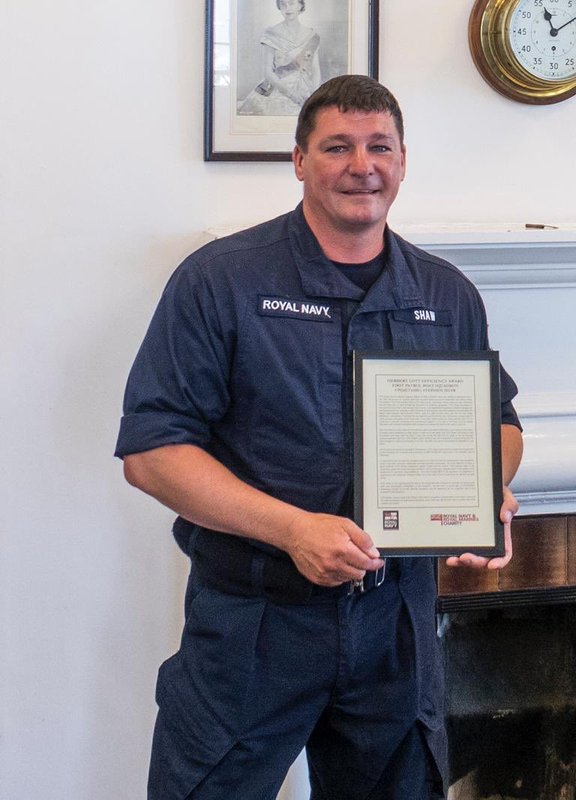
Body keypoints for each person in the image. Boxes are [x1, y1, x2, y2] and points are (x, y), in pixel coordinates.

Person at [116, 74, 523, 799]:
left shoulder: (445, 293)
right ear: (299, 160)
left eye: (379, 146)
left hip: (395, 623)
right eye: (336, 146)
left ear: (402, 161)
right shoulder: (222, 281)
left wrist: (484, 490)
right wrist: (294, 530)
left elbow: (499, 423)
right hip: (257, 622)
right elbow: (152, 454)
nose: (360, 165)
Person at [238, 0, 322, 116]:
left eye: (291, 3)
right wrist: (291, 94)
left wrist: (314, 95)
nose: (287, 8)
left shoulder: (312, 36)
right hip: (278, 88)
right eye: (283, 4)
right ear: (279, 7)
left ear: (300, 5)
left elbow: (315, 69)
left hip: (305, 91)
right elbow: (268, 72)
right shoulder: (271, 34)